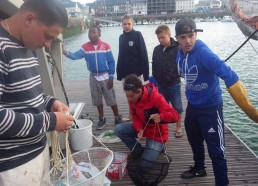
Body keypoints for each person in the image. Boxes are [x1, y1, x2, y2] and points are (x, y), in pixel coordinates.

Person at [175, 17, 258, 186]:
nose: (188, 41)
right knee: (194, 140)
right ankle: (199, 168)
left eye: (191, 35)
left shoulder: (204, 54)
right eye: (183, 37)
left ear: (196, 34)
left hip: (210, 108)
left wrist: (249, 109)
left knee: (216, 151)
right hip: (193, 106)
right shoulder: (179, 52)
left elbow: (230, 76)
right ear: (177, 39)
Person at [0, 0, 75, 185]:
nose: (48, 45)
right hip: (13, 165)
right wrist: (51, 121)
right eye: (48, 36)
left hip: (39, 151)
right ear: (30, 19)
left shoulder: (29, 44)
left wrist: (50, 102)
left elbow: (29, 92)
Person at [63, 26, 124, 130]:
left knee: (111, 99)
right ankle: (102, 118)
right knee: (97, 100)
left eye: (94, 32)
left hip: (106, 76)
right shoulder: (85, 48)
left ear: (99, 34)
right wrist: (64, 52)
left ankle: (117, 117)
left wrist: (111, 76)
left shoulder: (106, 46)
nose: (91, 34)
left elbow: (111, 62)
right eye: (90, 32)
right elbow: (75, 56)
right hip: (94, 77)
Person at [114, 74, 179, 171]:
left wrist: (161, 117)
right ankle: (138, 151)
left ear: (139, 91)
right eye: (127, 96)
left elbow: (175, 116)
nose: (129, 99)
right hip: (144, 129)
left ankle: (159, 147)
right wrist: (139, 129)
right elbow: (135, 117)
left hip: (156, 135)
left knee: (144, 167)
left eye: (131, 96)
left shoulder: (157, 98)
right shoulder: (132, 98)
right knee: (118, 129)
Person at [152, 25, 184, 138]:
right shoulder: (156, 49)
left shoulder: (178, 48)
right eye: (159, 38)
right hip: (161, 85)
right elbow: (154, 65)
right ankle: (163, 129)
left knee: (177, 107)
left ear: (169, 35)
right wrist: (155, 78)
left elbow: (183, 64)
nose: (161, 40)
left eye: (162, 37)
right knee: (162, 108)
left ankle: (179, 127)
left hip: (174, 84)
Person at [116, 15, 149, 120]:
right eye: (124, 24)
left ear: (133, 24)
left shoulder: (137, 35)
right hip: (125, 73)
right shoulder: (121, 37)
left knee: (138, 94)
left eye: (129, 24)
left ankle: (141, 114)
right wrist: (119, 73)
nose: (127, 26)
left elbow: (143, 53)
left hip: (136, 73)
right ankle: (131, 114)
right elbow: (120, 56)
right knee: (129, 95)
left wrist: (146, 74)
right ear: (122, 25)